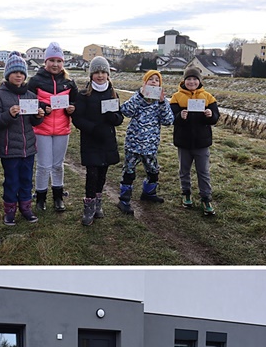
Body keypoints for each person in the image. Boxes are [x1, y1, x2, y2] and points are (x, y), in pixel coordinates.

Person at [0, 52, 46, 226]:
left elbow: (34, 122)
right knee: (12, 181)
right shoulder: (0, 96)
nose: (18, 76)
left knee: (27, 180)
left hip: (28, 148)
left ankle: (26, 208)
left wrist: (39, 116)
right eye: (14, 72)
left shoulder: (31, 96)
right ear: (7, 75)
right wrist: (9, 114)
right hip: (9, 149)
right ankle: (10, 211)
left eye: (21, 73)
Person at [71, 56, 124, 225]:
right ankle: (89, 206)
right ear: (91, 75)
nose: (100, 75)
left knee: (102, 174)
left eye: (103, 72)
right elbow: (77, 119)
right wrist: (93, 128)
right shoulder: (84, 94)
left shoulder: (112, 93)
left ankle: (98, 204)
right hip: (91, 140)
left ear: (108, 74)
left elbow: (119, 117)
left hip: (107, 141)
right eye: (97, 72)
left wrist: (114, 117)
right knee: (92, 174)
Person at [28, 42, 78, 212]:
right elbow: (28, 103)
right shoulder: (35, 81)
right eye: (52, 60)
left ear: (63, 62)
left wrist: (72, 108)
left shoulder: (69, 82)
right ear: (45, 62)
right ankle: (40, 198)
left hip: (62, 130)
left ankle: (58, 197)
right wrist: (41, 106)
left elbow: (76, 102)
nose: (55, 64)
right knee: (43, 166)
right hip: (42, 130)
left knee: (58, 165)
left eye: (59, 61)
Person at [118, 70, 174, 215]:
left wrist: (162, 102)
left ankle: (148, 193)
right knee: (129, 173)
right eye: (151, 79)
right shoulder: (137, 98)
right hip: (133, 145)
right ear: (145, 83)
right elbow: (125, 111)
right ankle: (124, 201)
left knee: (153, 171)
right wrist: (140, 96)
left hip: (150, 146)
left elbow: (168, 121)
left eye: (157, 80)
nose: (154, 82)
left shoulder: (161, 102)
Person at [170, 67, 220, 216]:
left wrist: (210, 115)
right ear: (184, 81)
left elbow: (215, 118)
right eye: (189, 79)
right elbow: (171, 118)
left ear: (199, 81)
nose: (192, 82)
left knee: (203, 172)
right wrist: (180, 116)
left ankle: (206, 198)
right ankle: (186, 194)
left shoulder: (208, 97)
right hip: (183, 141)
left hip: (202, 142)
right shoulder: (176, 97)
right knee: (184, 170)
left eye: (195, 79)